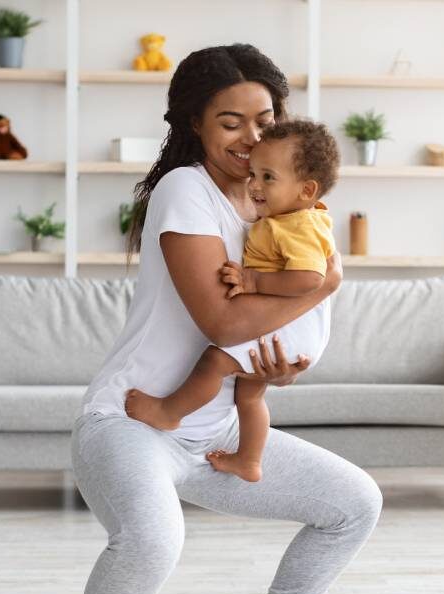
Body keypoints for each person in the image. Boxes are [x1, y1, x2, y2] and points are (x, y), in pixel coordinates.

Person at [73, 43, 382, 594]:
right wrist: (324, 285)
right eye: (230, 121)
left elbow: (264, 324)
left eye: (264, 121)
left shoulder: (278, 204)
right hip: (131, 423)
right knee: (153, 542)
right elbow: (223, 322)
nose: (248, 136)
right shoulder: (185, 190)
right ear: (196, 125)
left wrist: (278, 369)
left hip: (218, 434)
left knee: (354, 504)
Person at [124, 118, 341, 484]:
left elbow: (311, 279)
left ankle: (168, 411)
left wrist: (253, 280)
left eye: (267, 178)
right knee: (250, 396)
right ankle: (249, 460)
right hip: (294, 329)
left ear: (307, 190)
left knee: (214, 361)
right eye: (254, 174)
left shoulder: (298, 226)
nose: (254, 185)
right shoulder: (294, 218)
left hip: (290, 326)